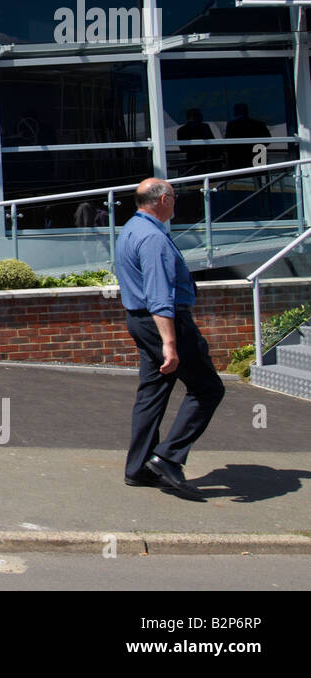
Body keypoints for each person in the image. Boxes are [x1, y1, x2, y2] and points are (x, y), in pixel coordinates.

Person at [114, 178, 224, 497]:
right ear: (162, 200)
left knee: (153, 391)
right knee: (207, 389)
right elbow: (160, 295)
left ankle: (138, 469)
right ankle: (167, 457)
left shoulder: (132, 229)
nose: (176, 203)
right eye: (173, 197)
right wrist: (170, 344)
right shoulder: (152, 239)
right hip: (164, 323)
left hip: (139, 320)